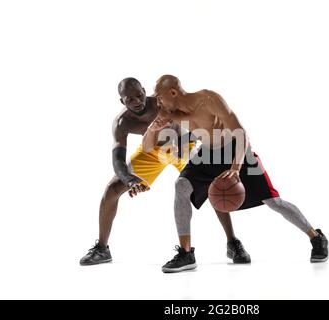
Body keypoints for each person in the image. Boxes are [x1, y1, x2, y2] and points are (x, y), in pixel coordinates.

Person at [144, 75, 329, 273]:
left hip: (236, 150)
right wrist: (152, 129)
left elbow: (241, 133)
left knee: (274, 202)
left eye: (159, 97)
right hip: (207, 154)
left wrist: (235, 167)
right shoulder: (170, 112)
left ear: (173, 92)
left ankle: (316, 237)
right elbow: (147, 147)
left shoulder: (209, 99)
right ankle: (186, 252)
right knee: (181, 186)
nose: (157, 102)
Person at [79, 78, 251, 267]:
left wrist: (184, 140)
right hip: (152, 152)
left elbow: (200, 123)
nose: (137, 101)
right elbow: (118, 159)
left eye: (139, 95)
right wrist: (129, 180)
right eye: (130, 99)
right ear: (122, 101)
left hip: (182, 145)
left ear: (145, 91)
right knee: (112, 190)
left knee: (214, 185)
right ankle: (102, 249)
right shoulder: (122, 122)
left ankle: (232, 242)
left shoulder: (162, 103)